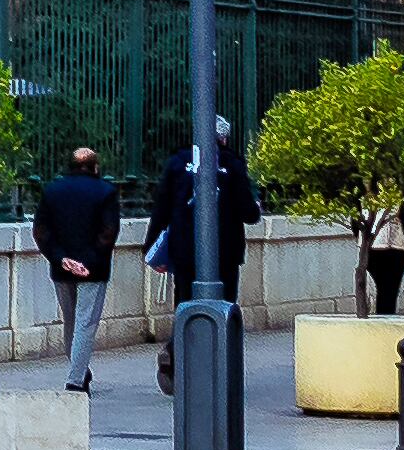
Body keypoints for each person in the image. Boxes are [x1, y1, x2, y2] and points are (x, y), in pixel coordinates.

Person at [143, 117, 260, 395]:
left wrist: (150, 248)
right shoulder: (232, 164)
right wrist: (255, 206)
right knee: (224, 309)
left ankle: (178, 356)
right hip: (225, 253)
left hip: (185, 251)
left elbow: (161, 207)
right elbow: (249, 213)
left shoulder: (177, 162)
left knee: (185, 305)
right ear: (224, 139)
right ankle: (218, 369)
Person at [32, 144, 123, 392]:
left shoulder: (52, 191)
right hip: (93, 269)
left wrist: (60, 258)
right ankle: (75, 381)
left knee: (70, 321)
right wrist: (88, 262)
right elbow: (109, 231)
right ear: (95, 167)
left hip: (61, 268)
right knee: (86, 323)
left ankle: (79, 370)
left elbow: (40, 231)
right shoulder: (106, 191)